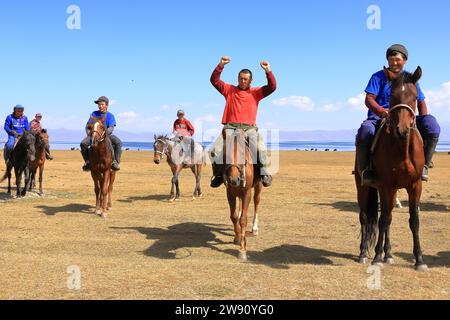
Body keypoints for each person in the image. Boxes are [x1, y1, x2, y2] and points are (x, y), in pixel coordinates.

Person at [356, 44, 440, 186]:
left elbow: (421, 101)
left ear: (405, 60)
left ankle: (425, 164)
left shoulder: (410, 78)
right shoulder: (378, 77)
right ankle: (366, 171)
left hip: (407, 117)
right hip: (380, 116)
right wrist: (381, 112)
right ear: (388, 60)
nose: (394, 63)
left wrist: (421, 118)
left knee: (432, 126)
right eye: (391, 59)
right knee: (365, 131)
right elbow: (369, 99)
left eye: (397, 60)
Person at [209, 56, 277, 188]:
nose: (243, 81)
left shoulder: (256, 92)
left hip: (249, 129)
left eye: (246, 79)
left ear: (251, 80)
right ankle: (218, 175)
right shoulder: (229, 90)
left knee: (261, 150)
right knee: (214, 150)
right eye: (241, 78)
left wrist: (268, 71)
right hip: (230, 127)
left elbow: (272, 87)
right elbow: (214, 80)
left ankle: (264, 174)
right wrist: (220, 65)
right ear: (237, 79)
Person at [80, 96, 122, 171]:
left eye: (102, 104)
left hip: (107, 135)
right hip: (94, 135)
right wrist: (90, 134)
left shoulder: (110, 115)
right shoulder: (94, 114)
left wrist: (104, 134)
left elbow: (111, 127)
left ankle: (115, 162)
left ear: (106, 105)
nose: (100, 106)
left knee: (118, 143)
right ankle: (87, 162)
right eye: (99, 105)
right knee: (83, 144)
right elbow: (87, 126)